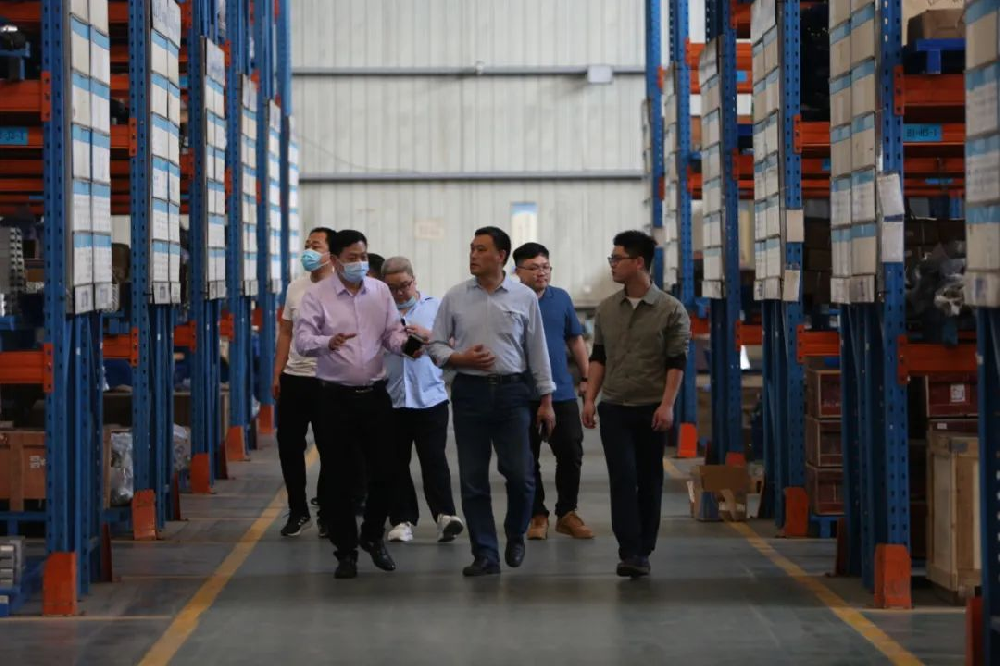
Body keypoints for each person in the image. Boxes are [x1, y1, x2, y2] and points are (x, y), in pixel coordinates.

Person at [427, 227, 556, 577]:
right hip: (469, 393)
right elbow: (435, 345)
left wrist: (546, 400)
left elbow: (537, 350)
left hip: (513, 393)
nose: (473, 255)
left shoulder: (523, 297)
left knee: (520, 474)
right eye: (471, 248)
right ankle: (485, 553)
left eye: (481, 249)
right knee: (472, 479)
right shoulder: (455, 297)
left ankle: (515, 533)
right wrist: (459, 358)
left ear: (500, 256)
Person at [294, 229, 417, 579]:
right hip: (333, 398)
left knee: (388, 470)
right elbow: (303, 341)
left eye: (363, 256)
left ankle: (372, 535)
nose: (360, 263)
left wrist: (409, 345)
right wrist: (327, 342)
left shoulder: (379, 292)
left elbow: (392, 334)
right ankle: (345, 551)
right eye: (352, 258)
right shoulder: (316, 296)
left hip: (375, 395)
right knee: (338, 477)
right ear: (335, 260)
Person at [582, 231, 691, 578]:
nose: (612, 265)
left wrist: (667, 405)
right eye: (612, 259)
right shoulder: (606, 309)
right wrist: (590, 398)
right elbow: (598, 357)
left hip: (650, 408)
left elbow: (676, 362)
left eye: (617, 259)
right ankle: (629, 550)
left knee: (649, 478)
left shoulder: (671, 310)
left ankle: (644, 548)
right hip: (614, 406)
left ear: (639, 262)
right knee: (622, 477)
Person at [512, 243, 593, 541]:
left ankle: (567, 513)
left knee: (571, 452)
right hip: (521, 394)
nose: (541, 273)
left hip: (561, 392)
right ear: (518, 271)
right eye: (534, 268)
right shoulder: (509, 300)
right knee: (525, 458)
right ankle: (537, 515)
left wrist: (586, 378)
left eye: (545, 267)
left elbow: (575, 340)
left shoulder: (561, 298)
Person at [381, 257, 465, 544]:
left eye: (404, 285)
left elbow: (456, 346)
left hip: (430, 398)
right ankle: (402, 520)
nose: (400, 293)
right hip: (392, 399)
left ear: (414, 280)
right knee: (395, 463)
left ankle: (445, 516)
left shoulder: (437, 307)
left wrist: (428, 337)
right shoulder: (379, 311)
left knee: (434, 459)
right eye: (392, 288)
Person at [272, 226, 335, 538]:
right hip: (295, 378)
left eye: (317, 245)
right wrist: (277, 372)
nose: (309, 250)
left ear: (331, 253)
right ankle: (298, 510)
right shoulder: (295, 288)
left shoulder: (342, 289)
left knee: (331, 447)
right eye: (308, 244)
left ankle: (327, 510)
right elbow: (285, 331)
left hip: (329, 379)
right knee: (289, 446)